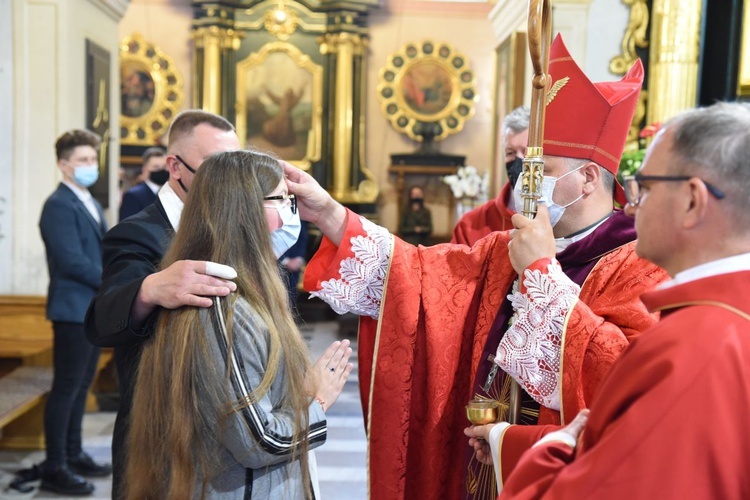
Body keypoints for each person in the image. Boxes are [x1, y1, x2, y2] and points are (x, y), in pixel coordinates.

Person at [288, 34, 670, 500]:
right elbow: (417, 277)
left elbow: (624, 378)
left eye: (541, 171)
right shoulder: (503, 247)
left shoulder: (642, 266)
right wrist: (328, 212)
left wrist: (544, 276)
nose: (527, 185)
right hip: (478, 467)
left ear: (588, 178)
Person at [494, 101, 750, 499]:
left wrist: (550, 450)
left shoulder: (695, 347)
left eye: (644, 188)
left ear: (692, 201)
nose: (630, 205)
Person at [124, 151, 353, 499]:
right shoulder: (222, 304)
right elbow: (260, 441)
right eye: (283, 200)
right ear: (244, 210)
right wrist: (317, 400)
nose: (293, 212)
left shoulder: (243, 291)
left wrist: (297, 391)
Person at [84, 110, 241, 495]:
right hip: (156, 428)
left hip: (218, 426)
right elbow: (101, 320)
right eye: (215, 167)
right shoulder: (136, 233)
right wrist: (149, 289)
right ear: (175, 166)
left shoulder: (223, 224)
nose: (227, 180)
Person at [38, 129, 112, 496]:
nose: (89, 166)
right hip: (71, 308)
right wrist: (113, 284)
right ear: (63, 165)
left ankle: (73, 452)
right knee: (66, 387)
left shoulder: (87, 200)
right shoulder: (58, 205)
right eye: (82, 160)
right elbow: (71, 261)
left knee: (82, 385)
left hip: (90, 305)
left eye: (92, 160)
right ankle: (55, 465)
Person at [451, 106, 529, 244]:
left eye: (526, 152)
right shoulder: (471, 225)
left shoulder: (559, 221)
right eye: (510, 152)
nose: (518, 160)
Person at [118, 147, 168, 221]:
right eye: (156, 167)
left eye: (164, 167)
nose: (161, 170)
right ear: (145, 169)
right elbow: (127, 225)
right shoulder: (133, 195)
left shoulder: (169, 194)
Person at [279, 219, 308, 312]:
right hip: (275, 264)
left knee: (292, 297)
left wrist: (298, 259)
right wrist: (285, 260)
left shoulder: (297, 218)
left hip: (295, 266)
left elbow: (303, 239)